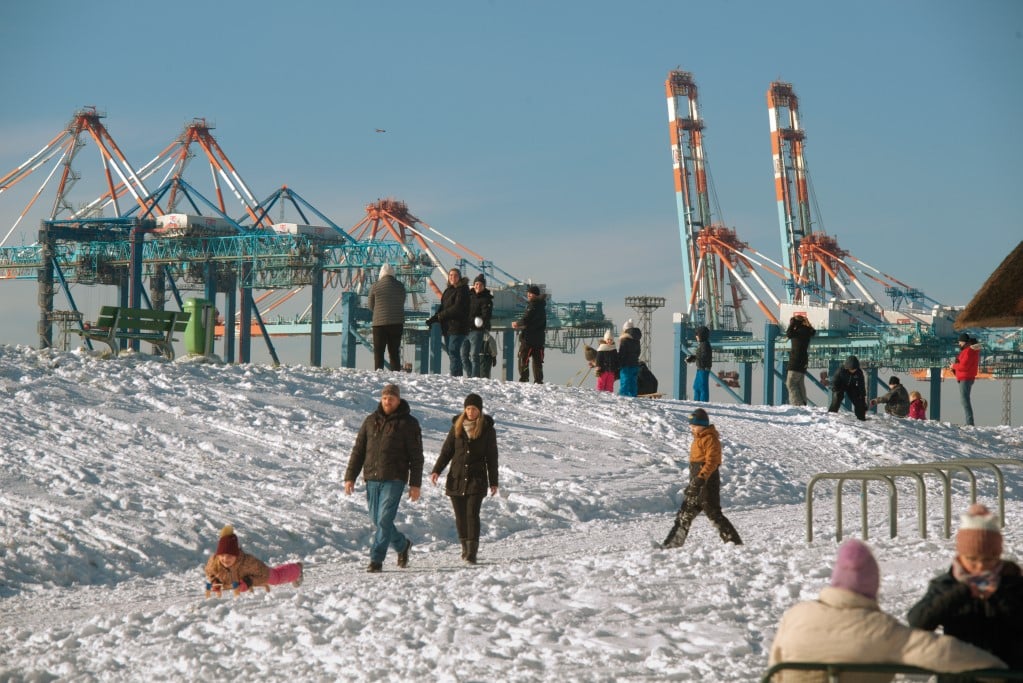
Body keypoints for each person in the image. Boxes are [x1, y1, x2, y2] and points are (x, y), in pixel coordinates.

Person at [768, 539, 1005, 681]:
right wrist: (996, 670)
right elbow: (942, 652)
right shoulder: (881, 630)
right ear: (872, 587)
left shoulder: (796, 616)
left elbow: (774, 670)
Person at [907, 504, 1023, 679]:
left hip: (1007, 675)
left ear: (998, 557)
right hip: (959, 676)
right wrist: (960, 592)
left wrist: (998, 596)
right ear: (960, 556)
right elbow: (918, 621)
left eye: (988, 560)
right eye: (972, 559)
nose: (980, 566)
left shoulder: (1013, 582)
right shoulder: (946, 584)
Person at [343, 383, 424, 572]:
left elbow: (416, 456)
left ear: (398, 400)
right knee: (377, 519)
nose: (387, 401)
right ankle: (402, 545)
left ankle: (376, 559)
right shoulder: (370, 421)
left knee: (384, 520)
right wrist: (350, 477)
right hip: (372, 477)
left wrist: (415, 484)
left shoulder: (409, 423)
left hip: (395, 478)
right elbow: (358, 451)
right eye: (385, 398)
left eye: (391, 398)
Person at [429, 392, 499, 565]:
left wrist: (494, 481)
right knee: (460, 516)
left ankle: (472, 553)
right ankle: (465, 547)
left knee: (472, 514)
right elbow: (447, 451)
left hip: (476, 479)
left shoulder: (487, 430)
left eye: (474, 409)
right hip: (457, 478)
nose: (470, 412)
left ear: (479, 410)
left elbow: (492, 457)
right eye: (467, 408)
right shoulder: (457, 427)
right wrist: (437, 470)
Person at [662, 408, 742, 548]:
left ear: (703, 425)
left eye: (694, 426)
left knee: (713, 513)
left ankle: (734, 543)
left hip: (707, 483)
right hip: (696, 482)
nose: (692, 428)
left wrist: (701, 479)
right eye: (691, 426)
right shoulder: (698, 438)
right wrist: (694, 482)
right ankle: (671, 544)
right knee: (684, 514)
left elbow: (712, 462)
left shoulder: (710, 439)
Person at [204, 525, 303, 595]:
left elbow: (264, 575)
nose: (225, 559)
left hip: (258, 573)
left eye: (230, 556)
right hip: (238, 580)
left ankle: (297, 569)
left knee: (276, 578)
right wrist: (214, 581)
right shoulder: (214, 561)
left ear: (236, 555)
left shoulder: (248, 562)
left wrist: (248, 582)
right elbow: (209, 572)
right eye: (222, 555)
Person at [426, 267, 471, 377]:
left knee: (453, 350)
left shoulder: (463, 290)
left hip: (459, 326)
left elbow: (457, 308)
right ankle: (457, 376)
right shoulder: (447, 291)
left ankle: (455, 376)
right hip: (447, 327)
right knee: (451, 352)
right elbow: (443, 307)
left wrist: (440, 316)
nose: (452, 277)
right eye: (450, 275)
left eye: (455, 275)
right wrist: (434, 319)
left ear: (459, 277)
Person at [367, 263, 406, 371]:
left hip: (379, 324)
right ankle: (396, 373)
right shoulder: (400, 286)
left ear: (381, 273)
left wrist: (378, 311)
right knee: (394, 352)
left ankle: (378, 373)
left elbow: (370, 305)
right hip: (397, 323)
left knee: (379, 352)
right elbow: (402, 302)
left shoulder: (375, 286)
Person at [511, 284, 547, 383]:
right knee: (537, 361)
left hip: (529, 339)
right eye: (528, 293)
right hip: (539, 339)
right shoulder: (542, 306)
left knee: (523, 359)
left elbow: (526, 319)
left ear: (535, 295)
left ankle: (524, 379)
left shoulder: (533, 305)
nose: (528, 295)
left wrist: (517, 324)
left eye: (530, 293)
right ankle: (538, 381)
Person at [464, 274, 494, 378]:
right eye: (476, 284)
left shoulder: (487, 299)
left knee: (474, 355)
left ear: (484, 286)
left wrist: (475, 321)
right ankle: (471, 376)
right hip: (465, 330)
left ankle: (474, 378)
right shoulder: (468, 296)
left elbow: (486, 316)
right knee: (463, 356)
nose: (478, 286)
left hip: (477, 331)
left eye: (481, 284)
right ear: (474, 285)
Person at [784, 315, 816, 406]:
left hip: (795, 360)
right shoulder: (807, 331)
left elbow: (788, 334)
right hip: (803, 361)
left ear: (796, 323)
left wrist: (791, 324)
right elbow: (813, 331)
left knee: (790, 383)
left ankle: (797, 404)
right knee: (799, 383)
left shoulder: (798, 332)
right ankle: (803, 402)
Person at [951, 332, 981, 426]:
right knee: (965, 400)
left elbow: (964, 366)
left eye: (960, 342)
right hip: (965, 377)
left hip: (965, 378)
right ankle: (969, 422)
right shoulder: (968, 351)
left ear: (964, 342)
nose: (959, 343)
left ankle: (969, 423)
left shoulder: (968, 351)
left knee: (965, 400)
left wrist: (954, 366)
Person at [828, 355, 868, 421]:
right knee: (837, 397)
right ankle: (831, 416)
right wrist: (835, 390)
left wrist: (863, 399)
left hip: (851, 386)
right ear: (847, 367)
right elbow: (834, 381)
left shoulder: (859, 372)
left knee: (859, 399)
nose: (853, 371)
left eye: (854, 369)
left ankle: (861, 418)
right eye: (851, 369)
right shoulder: (841, 370)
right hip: (840, 386)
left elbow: (861, 385)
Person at [685, 325, 712, 402]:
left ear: (702, 335)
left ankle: (703, 403)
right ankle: (697, 402)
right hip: (700, 368)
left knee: (702, 387)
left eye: (697, 334)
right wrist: (692, 358)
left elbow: (703, 356)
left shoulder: (705, 345)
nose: (696, 336)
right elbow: (700, 356)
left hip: (704, 368)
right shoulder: (702, 344)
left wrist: (694, 358)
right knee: (696, 386)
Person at [618, 320, 641, 397]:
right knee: (633, 382)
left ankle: (622, 396)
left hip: (625, 364)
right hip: (635, 364)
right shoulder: (637, 340)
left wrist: (619, 362)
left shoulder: (624, 340)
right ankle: (633, 396)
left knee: (625, 381)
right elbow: (638, 352)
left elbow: (622, 353)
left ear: (625, 329)